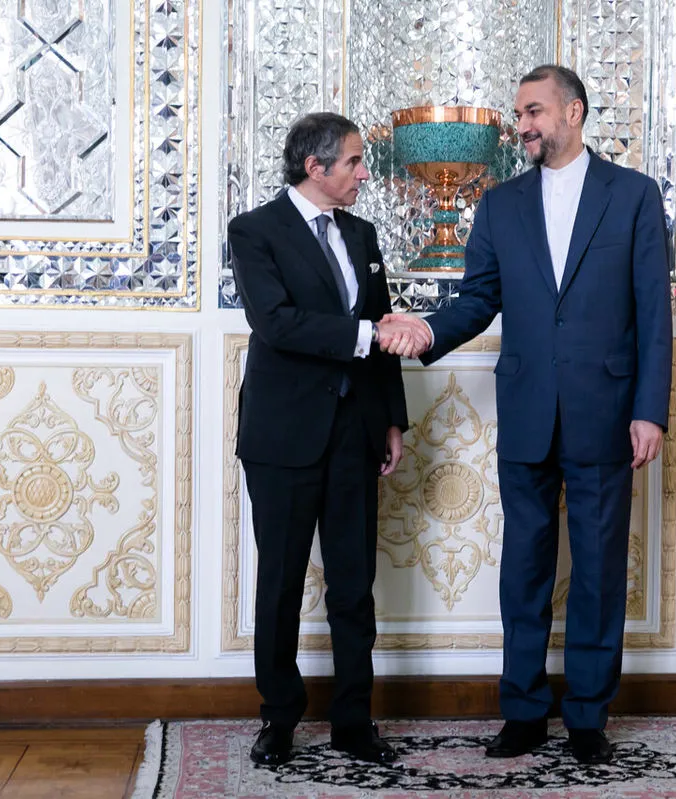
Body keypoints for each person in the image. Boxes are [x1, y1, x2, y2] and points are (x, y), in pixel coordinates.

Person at [382, 65, 673, 765]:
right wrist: (427, 330)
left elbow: (653, 314)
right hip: (527, 409)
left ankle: (588, 717)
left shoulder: (633, 195)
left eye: (534, 112)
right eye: (519, 114)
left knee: (599, 569)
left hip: (607, 411)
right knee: (524, 570)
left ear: (573, 112)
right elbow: (478, 299)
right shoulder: (500, 204)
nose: (523, 126)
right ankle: (523, 711)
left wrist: (650, 411)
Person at [228, 112, 419, 767]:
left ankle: (353, 721)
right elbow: (276, 322)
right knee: (280, 582)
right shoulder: (254, 230)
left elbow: (381, 319)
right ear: (316, 167)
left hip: (355, 433)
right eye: (355, 162)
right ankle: (279, 718)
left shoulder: (361, 232)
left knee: (354, 585)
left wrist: (391, 419)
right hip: (283, 435)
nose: (364, 173)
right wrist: (368, 335)